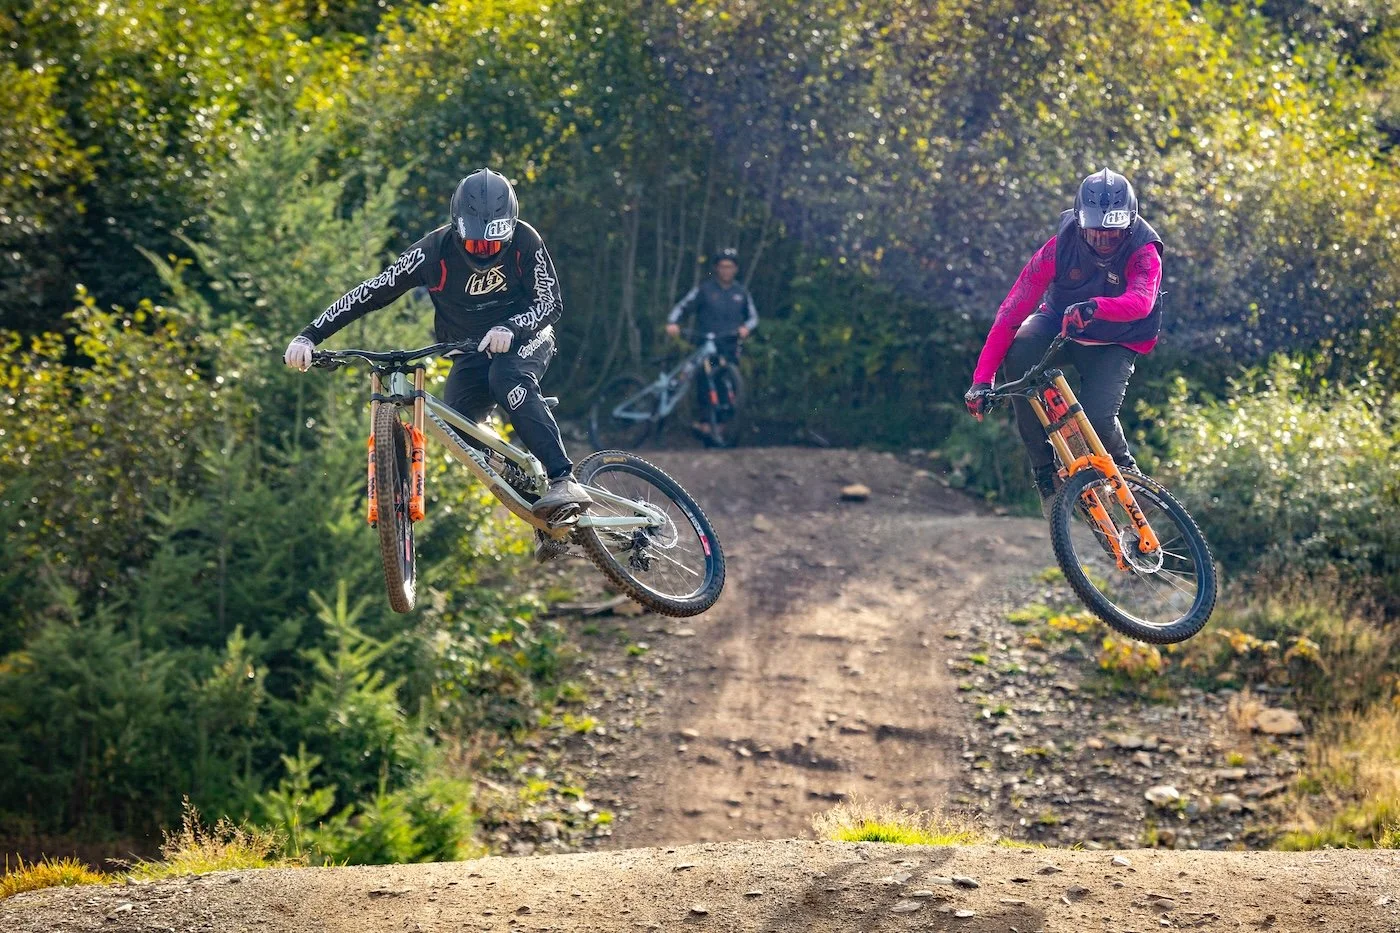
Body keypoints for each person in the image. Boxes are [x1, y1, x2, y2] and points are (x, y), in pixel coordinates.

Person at [283, 167, 591, 521]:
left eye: (493, 244)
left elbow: (550, 303)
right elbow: (371, 292)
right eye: (476, 244)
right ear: (458, 230)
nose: (484, 253)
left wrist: (511, 327)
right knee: (459, 431)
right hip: (470, 351)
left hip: (526, 338)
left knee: (507, 378)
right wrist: (309, 335)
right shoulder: (431, 252)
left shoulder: (525, 240)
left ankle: (562, 479)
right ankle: (537, 504)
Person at [963, 168, 1164, 519]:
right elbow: (1011, 312)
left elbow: (1141, 301)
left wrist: (1095, 308)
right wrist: (982, 380)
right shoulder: (1057, 249)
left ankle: (1128, 475)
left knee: (1098, 419)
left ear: (1129, 224)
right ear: (1079, 221)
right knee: (1022, 350)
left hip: (1118, 339)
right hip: (1062, 324)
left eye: (1112, 233)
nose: (1102, 240)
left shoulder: (1144, 250)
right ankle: (1045, 474)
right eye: (1094, 232)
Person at [665, 247, 758, 439]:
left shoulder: (741, 292)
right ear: (717, 268)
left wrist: (746, 328)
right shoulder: (705, 289)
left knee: (728, 384)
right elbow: (683, 307)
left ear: (736, 269)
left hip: (729, 344)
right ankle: (706, 424)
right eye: (723, 267)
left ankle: (726, 426)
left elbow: (753, 318)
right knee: (704, 382)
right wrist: (673, 323)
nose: (726, 271)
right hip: (706, 343)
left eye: (730, 267)